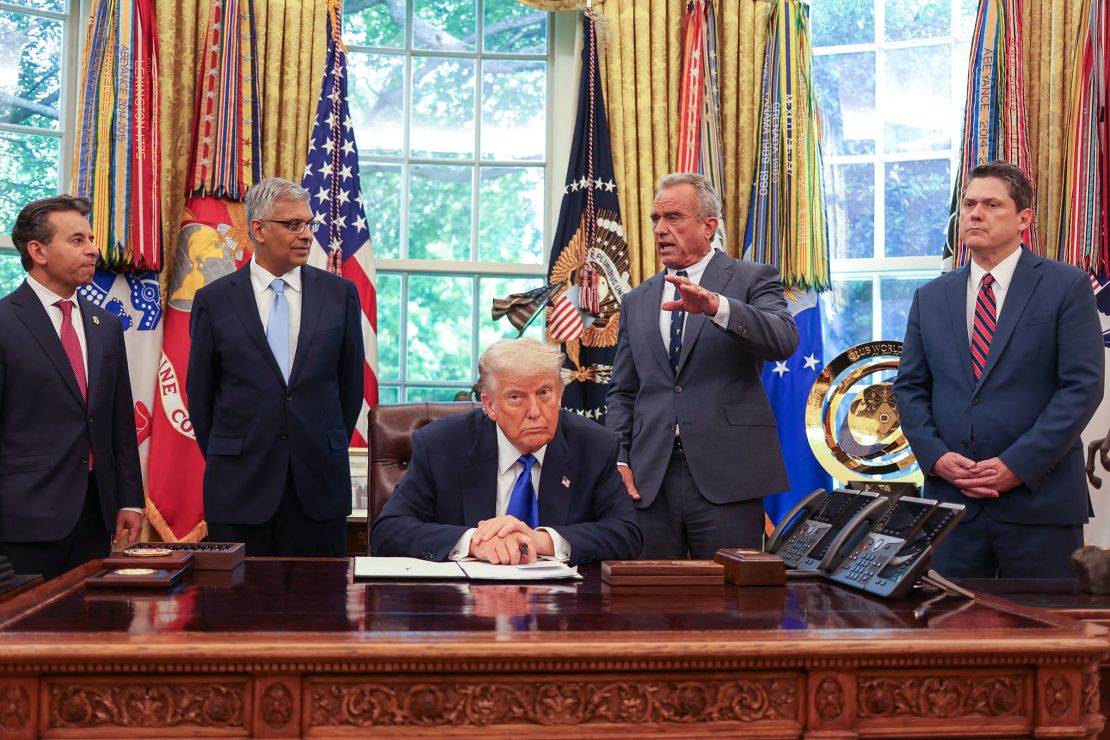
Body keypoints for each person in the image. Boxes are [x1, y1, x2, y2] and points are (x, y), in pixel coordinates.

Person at [894, 160, 1104, 578]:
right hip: (950, 507)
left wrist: (1018, 465)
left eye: (992, 204)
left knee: (1045, 638)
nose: (975, 213)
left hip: (1039, 504)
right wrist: (935, 458)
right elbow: (911, 388)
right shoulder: (931, 297)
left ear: (1024, 218)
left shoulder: (1067, 286)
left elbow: (1081, 387)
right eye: (969, 203)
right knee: (949, 638)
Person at [606, 172, 799, 559]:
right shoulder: (637, 300)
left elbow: (783, 339)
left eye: (673, 217)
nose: (660, 229)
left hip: (728, 475)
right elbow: (624, 392)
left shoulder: (751, 278)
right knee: (652, 603)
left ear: (708, 226)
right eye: (655, 219)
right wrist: (620, 458)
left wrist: (716, 307)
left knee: (734, 608)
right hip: (650, 479)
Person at [187, 177, 364, 557]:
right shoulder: (213, 300)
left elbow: (350, 388)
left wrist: (316, 440)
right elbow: (201, 396)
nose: (306, 235)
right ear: (259, 229)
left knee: (318, 608)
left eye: (309, 224)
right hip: (239, 487)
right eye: (293, 225)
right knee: (237, 611)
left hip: (318, 485)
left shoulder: (340, 295)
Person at [370, 338, 642, 565]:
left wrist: (539, 540)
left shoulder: (595, 446)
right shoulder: (441, 445)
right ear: (489, 406)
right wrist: (475, 541)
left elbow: (626, 535)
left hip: (560, 615)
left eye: (545, 393)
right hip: (464, 611)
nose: (535, 412)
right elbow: (388, 531)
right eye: (516, 397)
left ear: (560, 396)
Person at [0, 196, 143, 578]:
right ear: (38, 251)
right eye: (77, 240)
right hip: (22, 523)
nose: (93, 250)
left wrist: (131, 499)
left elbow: (119, 423)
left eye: (91, 238)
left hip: (95, 518)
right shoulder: (4, 323)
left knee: (91, 630)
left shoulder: (106, 325)